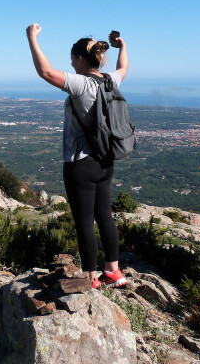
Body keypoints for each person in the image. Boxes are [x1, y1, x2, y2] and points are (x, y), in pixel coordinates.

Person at [26, 23, 130, 289]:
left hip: (80, 164)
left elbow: (45, 71)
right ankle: (114, 271)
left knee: (84, 221)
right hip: (106, 160)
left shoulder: (81, 84)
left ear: (81, 59)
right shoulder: (109, 81)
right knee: (104, 216)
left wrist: (32, 38)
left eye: (72, 59)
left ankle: (92, 276)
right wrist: (123, 46)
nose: (71, 64)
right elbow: (123, 69)